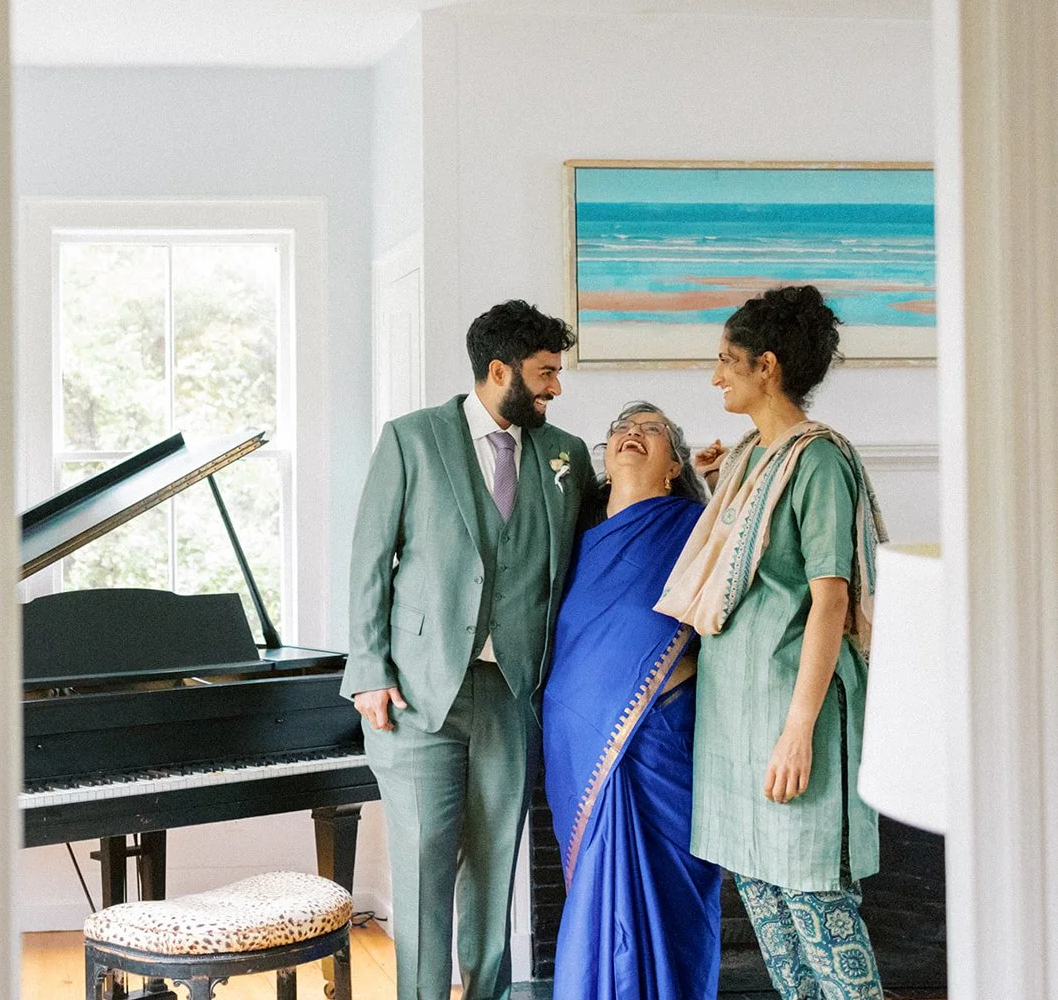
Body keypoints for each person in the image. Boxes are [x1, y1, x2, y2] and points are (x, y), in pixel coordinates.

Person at [343, 299, 595, 1000]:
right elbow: (369, 561)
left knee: (494, 870)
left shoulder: (566, 455)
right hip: (418, 695)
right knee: (423, 866)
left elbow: (603, 538)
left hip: (511, 693)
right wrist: (369, 673)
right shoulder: (411, 440)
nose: (555, 388)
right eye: (545, 373)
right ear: (498, 370)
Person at [657, 285, 888, 1000]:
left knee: (820, 912)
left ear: (768, 365)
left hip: (795, 717)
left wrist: (798, 728)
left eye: (727, 361)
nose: (716, 376)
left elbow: (831, 597)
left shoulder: (817, 461)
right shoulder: (755, 455)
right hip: (738, 722)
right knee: (776, 929)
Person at [542, 402, 722, 1000]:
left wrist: (726, 489)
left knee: (672, 900)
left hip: (665, 739)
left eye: (651, 429)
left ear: (675, 463)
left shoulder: (700, 524)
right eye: (620, 426)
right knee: (597, 893)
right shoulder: (570, 540)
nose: (631, 434)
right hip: (578, 741)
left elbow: (749, 592)